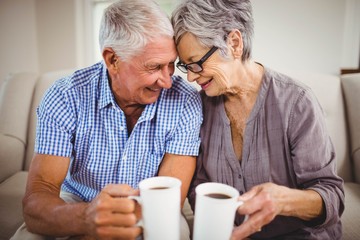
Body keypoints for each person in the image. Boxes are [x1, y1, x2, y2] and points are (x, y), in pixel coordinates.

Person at [11, 1, 202, 239]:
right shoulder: (65, 95)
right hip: (77, 199)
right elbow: (38, 198)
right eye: (154, 67)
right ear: (113, 60)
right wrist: (84, 217)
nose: (167, 81)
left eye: (171, 65)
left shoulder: (186, 100)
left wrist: (118, 221)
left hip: (155, 205)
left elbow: (169, 195)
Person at [171, 0, 344, 239]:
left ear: (234, 43)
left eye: (197, 63)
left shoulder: (296, 102)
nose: (190, 77)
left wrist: (284, 201)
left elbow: (332, 195)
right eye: (185, 66)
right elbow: (198, 189)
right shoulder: (198, 107)